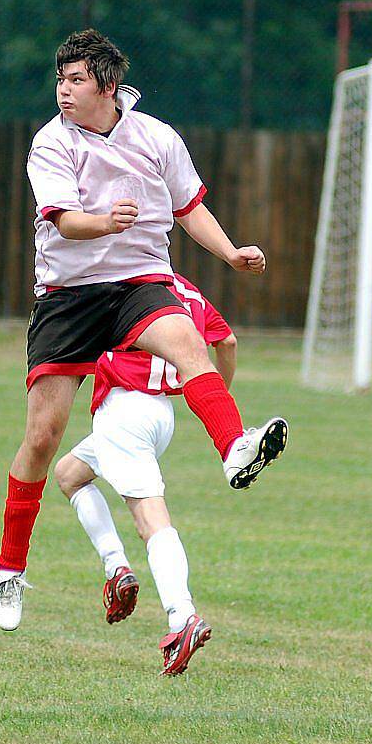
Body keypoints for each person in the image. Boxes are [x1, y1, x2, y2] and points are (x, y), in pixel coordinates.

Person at [0, 29, 288, 633]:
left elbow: (189, 206)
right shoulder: (51, 143)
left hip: (136, 283)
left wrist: (229, 253)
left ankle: (233, 449)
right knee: (44, 438)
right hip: (68, 297)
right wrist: (104, 221)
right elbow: (66, 223)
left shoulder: (157, 136)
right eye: (59, 80)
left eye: (73, 80)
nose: (62, 91)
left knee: (187, 342)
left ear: (105, 84)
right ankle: (8, 570)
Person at [54, 272, 245, 676]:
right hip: (161, 415)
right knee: (70, 474)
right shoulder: (189, 291)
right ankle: (117, 568)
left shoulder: (120, 285)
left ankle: (182, 618)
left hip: (124, 411)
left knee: (150, 519)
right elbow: (226, 342)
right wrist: (213, 395)